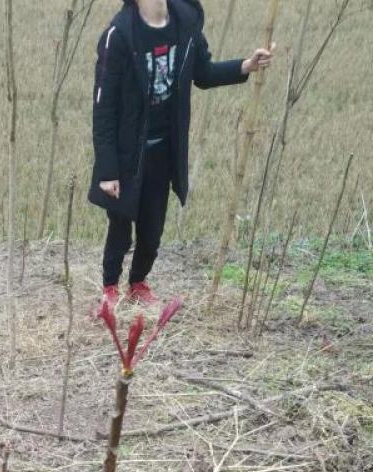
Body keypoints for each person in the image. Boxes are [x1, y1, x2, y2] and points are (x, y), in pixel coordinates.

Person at [89, 0, 275, 311]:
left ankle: (138, 283)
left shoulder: (185, 24)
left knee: (152, 227)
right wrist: (108, 170)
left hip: (165, 148)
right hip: (126, 154)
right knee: (120, 223)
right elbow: (103, 108)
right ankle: (110, 286)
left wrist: (246, 66)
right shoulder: (120, 35)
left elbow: (203, 73)